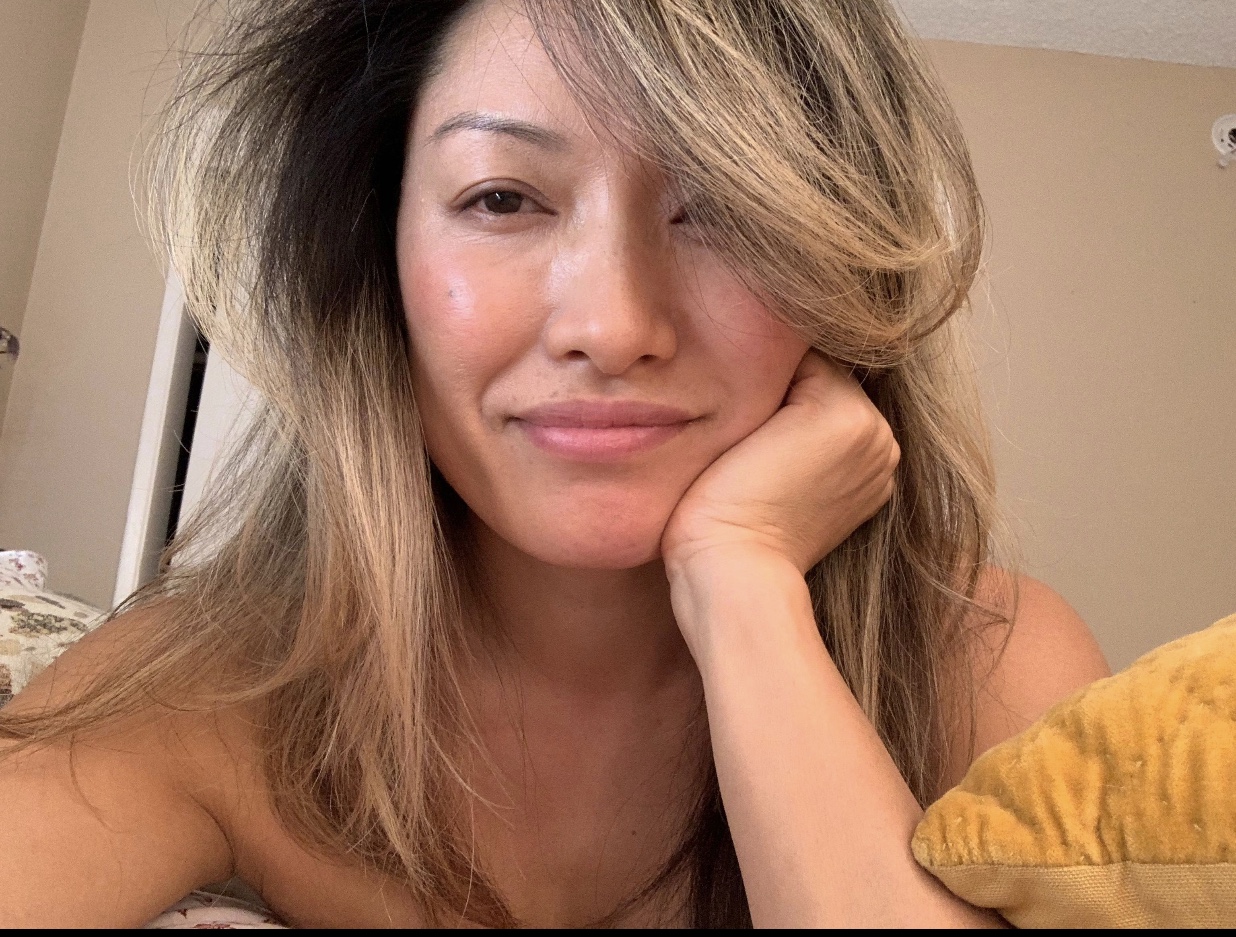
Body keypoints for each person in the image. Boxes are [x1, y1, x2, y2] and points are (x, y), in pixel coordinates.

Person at [0, 0, 1110, 927]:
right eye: (502, 199)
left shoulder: (987, 666)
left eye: (724, 207)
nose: (613, 325)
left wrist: (744, 585)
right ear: (378, 257)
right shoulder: (208, 688)